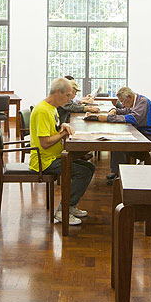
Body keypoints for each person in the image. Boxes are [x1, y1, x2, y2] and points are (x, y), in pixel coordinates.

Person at [30, 78, 95, 225]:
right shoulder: (43, 111)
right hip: (44, 160)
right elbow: (45, 143)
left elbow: (53, 129)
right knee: (82, 172)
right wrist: (63, 134)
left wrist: (63, 125)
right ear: (58, 92)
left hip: (54, 156)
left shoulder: (52, 108)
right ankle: (63, 210)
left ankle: (70, 206)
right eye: (67, 95)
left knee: (89, 167)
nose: (69, 99)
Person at [98, 86, 151, 182]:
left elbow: (133, 118)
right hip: (144, 131)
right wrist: (115, 110)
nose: (123, 104)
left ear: (129, 97)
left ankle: (121, 176)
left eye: (123, 102)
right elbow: (126, 111)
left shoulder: (143, 102)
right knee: (116, 141)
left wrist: (108, 118)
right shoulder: (135, 101)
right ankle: (118, 173)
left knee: (121, 144)